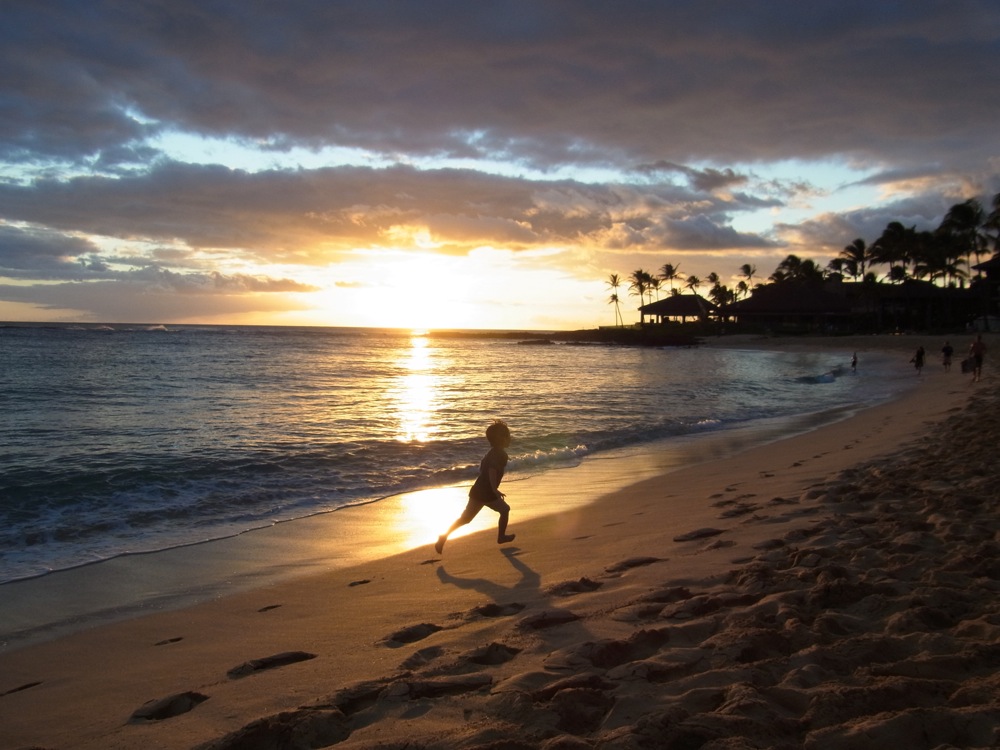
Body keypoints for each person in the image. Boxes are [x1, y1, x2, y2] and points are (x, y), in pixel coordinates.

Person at [435, 420, 515, 553]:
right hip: (487, 493)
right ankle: (501, 537)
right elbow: (491, 470)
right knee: (505, 510)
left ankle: (444, 536)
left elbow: (483, 469)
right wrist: (495, 489)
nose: (510, 438)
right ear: (501, 439)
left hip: (477, 491)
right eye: (508, 435)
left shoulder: (491, 453)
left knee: (465, 519)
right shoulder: (501, 454)